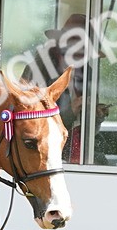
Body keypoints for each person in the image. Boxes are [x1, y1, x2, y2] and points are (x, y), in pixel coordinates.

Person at [22, 14, 109, 163]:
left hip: (76, 149)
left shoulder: (87, 73)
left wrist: (97, 117)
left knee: (101, 162)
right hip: (41, 153)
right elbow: (30, 125)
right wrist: (71, 111)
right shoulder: (38, 71)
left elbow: (88, 132)